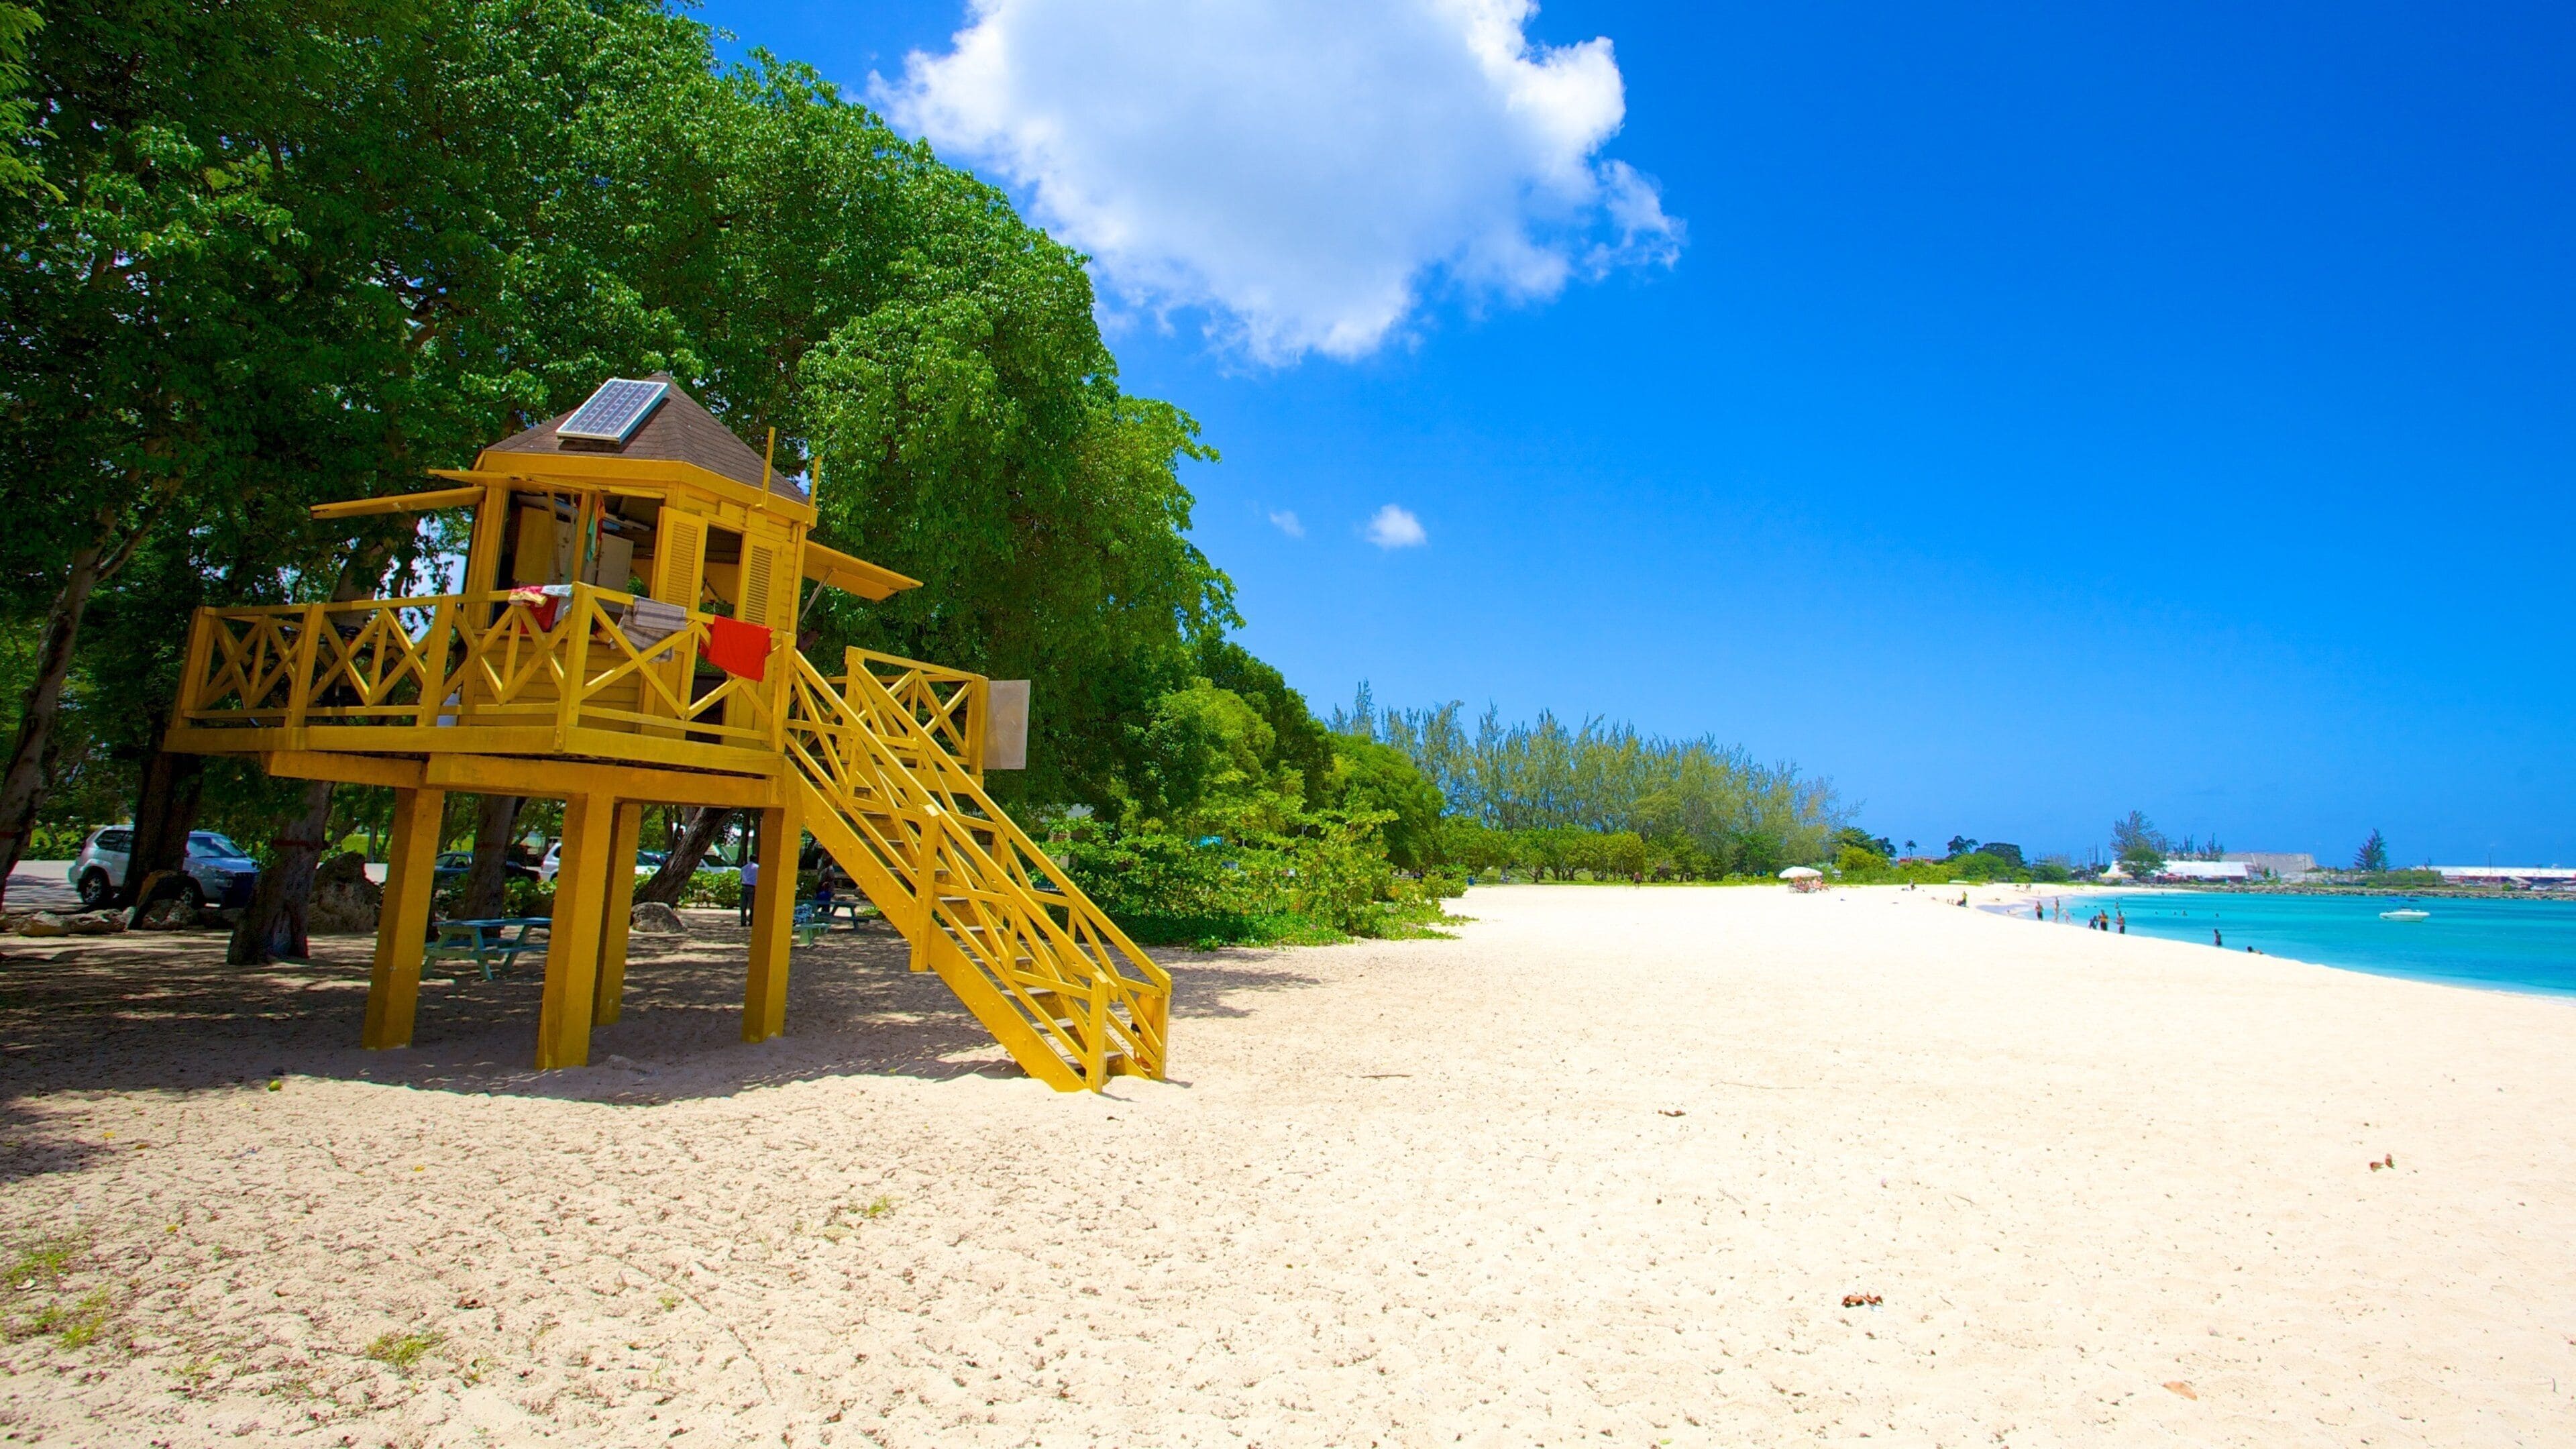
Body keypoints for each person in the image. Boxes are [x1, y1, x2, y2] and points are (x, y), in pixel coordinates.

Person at [738, 855, 759, 926]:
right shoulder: (757, 868)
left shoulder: (744, 868)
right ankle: (751, 922)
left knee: (743, 906)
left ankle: (743, 922)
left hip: (744, 886)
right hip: (752, 887)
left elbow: (741, 879)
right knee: (752, 906)